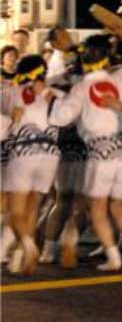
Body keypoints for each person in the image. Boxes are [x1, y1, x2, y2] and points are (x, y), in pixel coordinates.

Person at [48, 35, 122, 271]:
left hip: (101, 150)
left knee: (97, 207)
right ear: (105, 60)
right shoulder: (121, 77)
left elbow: (58, 119)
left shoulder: (81, 88)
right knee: (119, 206)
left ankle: (114, 257)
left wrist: (60, 97)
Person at [4, 56, 62, 275]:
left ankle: (28, 245)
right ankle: (21, 259)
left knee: (14, 212)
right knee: (32, 208)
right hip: (51, 154)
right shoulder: (54, 94)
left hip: (24, 153)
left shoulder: (11, 93)